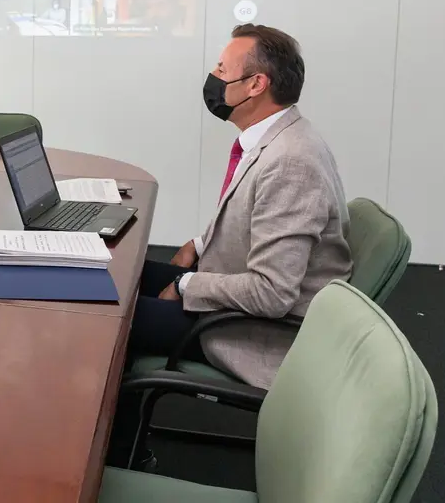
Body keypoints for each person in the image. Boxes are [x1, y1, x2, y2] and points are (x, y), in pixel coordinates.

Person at [108, 23, 352, 466]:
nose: (213, 78)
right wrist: (200, 243)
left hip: (255, 328)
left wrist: (185, 286)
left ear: (256, 84)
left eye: (222, 69)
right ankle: (122, 436)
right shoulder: (275, 138)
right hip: (234, 292)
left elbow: (273, 292)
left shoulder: (291, 162)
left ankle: (120, 456)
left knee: (114, 319)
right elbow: (255, 218)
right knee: (120, 276)